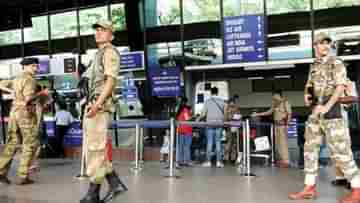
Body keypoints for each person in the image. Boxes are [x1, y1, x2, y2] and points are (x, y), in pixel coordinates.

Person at [289, 32, 360, 203]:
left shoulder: (336, 62)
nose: (325, 46)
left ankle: (357, 190)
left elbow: (340, 87)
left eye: (327, 43)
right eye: (321, 43)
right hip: (316, 113)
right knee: (310, 150)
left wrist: (327, 107)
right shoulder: (314, 65)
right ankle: (309, 187)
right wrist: (307, 95)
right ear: (315, 45)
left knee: (341, 152)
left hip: (333, 111)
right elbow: (309, 85)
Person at [80, 20, 125, 203]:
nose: (98, 33)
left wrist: (97, 104)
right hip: (92, 105)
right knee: (94, 149)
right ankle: (115, 184)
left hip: (99, 107)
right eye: (97, 30)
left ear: (111, 35)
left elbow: (110, 81)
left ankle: (93, 193)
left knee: (96, 149)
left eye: (103, 30)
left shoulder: (109, 52)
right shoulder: (98, 54)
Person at [0, 57, 48, 185]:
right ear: (25, 67)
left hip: (14, 112)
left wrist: (12, 92)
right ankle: (23, 175)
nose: (36, 68)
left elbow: (1, 84)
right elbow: (29, 99)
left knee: (12, 143)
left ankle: (1, 171)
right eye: (33, 66)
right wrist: (42, 93)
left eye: (36, 66)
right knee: (29, 143)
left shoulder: (16, 78)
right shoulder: (30, 80)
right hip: (26, 114)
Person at [252, 90, 292, 168]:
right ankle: (281, 160)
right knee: (277, 143)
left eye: (274, 96)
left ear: (278, 95)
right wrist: (257, 114)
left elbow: (289, 114)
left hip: (282, 125)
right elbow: (269, 112)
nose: (273, 98)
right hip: (276, 125)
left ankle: (286, 161)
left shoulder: (285, 102)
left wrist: (287, 125)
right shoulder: (275, 104)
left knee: (283, 144)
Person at [198, 87, 226, 168]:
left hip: (209, 124)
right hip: (219, 124)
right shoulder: (222, 101)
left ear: (211, 93)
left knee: (209, 142)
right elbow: (224, 113)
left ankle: (208, 162)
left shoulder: (207, 102)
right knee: (218, 143)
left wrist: (198, 119)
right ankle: (219, 162)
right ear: (218, 92)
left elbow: (203, 114)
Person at [176, 97, 193, 167]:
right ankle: (186, 161)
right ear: (186, 102)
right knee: (187, 146)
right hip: (187, 130)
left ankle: (180, 161)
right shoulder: (185, 109)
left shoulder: (178, 110)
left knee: (180, 146)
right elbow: (187, 119)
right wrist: (193, 116)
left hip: (180, 130)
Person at [224, 97, 241, 164]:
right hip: (231, 127)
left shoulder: (231, 108)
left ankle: (229, 158)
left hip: (232, 127)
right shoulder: (231, 109)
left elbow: (225, 118)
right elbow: (226, 118)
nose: (232, 104)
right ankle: (229, 158)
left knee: (231, 143)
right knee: (231, 143)